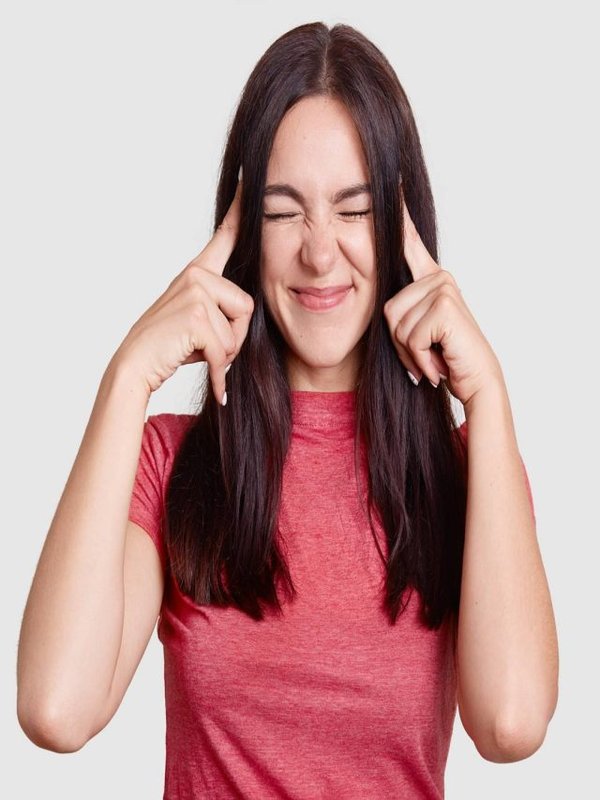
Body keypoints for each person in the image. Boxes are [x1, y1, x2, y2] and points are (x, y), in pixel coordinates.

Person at [16, 20, 558, 799]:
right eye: (282, 211)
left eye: (354, 208)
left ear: (403, 224)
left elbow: (511, 725)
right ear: (242, 233)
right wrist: (128, 374)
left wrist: (491, 398)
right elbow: (54, 708)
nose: (318, 250)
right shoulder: (171, 464)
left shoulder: (472, 470)